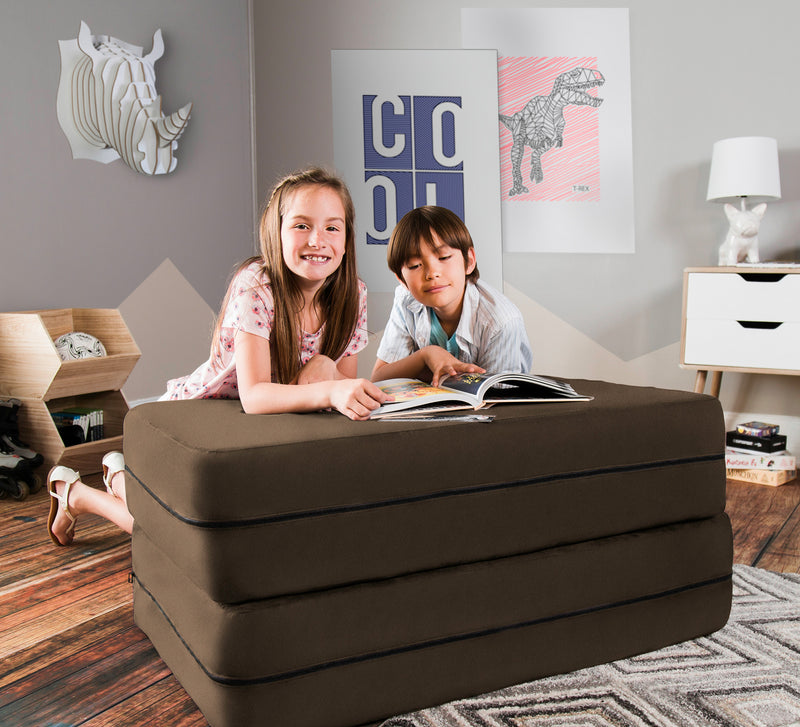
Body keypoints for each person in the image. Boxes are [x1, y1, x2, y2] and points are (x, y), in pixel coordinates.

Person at [46, 167, 388, 545]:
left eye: (332, 227)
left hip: (271, 425)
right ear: (275, 233)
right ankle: (78, 494)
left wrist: (329, 378)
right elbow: (255, 396)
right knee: (172, 536)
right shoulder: (257, 286)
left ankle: (119, 478)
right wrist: (329, 387)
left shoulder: (353, 294)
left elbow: (342, 386)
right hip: (203, 414)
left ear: (347, 238)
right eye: (301, 225)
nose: (317, 240)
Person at [371, 205, 532, 387]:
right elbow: (379, 379)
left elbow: (496, 396)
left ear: (469, 261)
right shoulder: (405, 300)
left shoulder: (501, 321)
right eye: (415, 265)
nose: (432, 273)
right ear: (401, 279)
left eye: (444, 257)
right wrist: (425, 356)